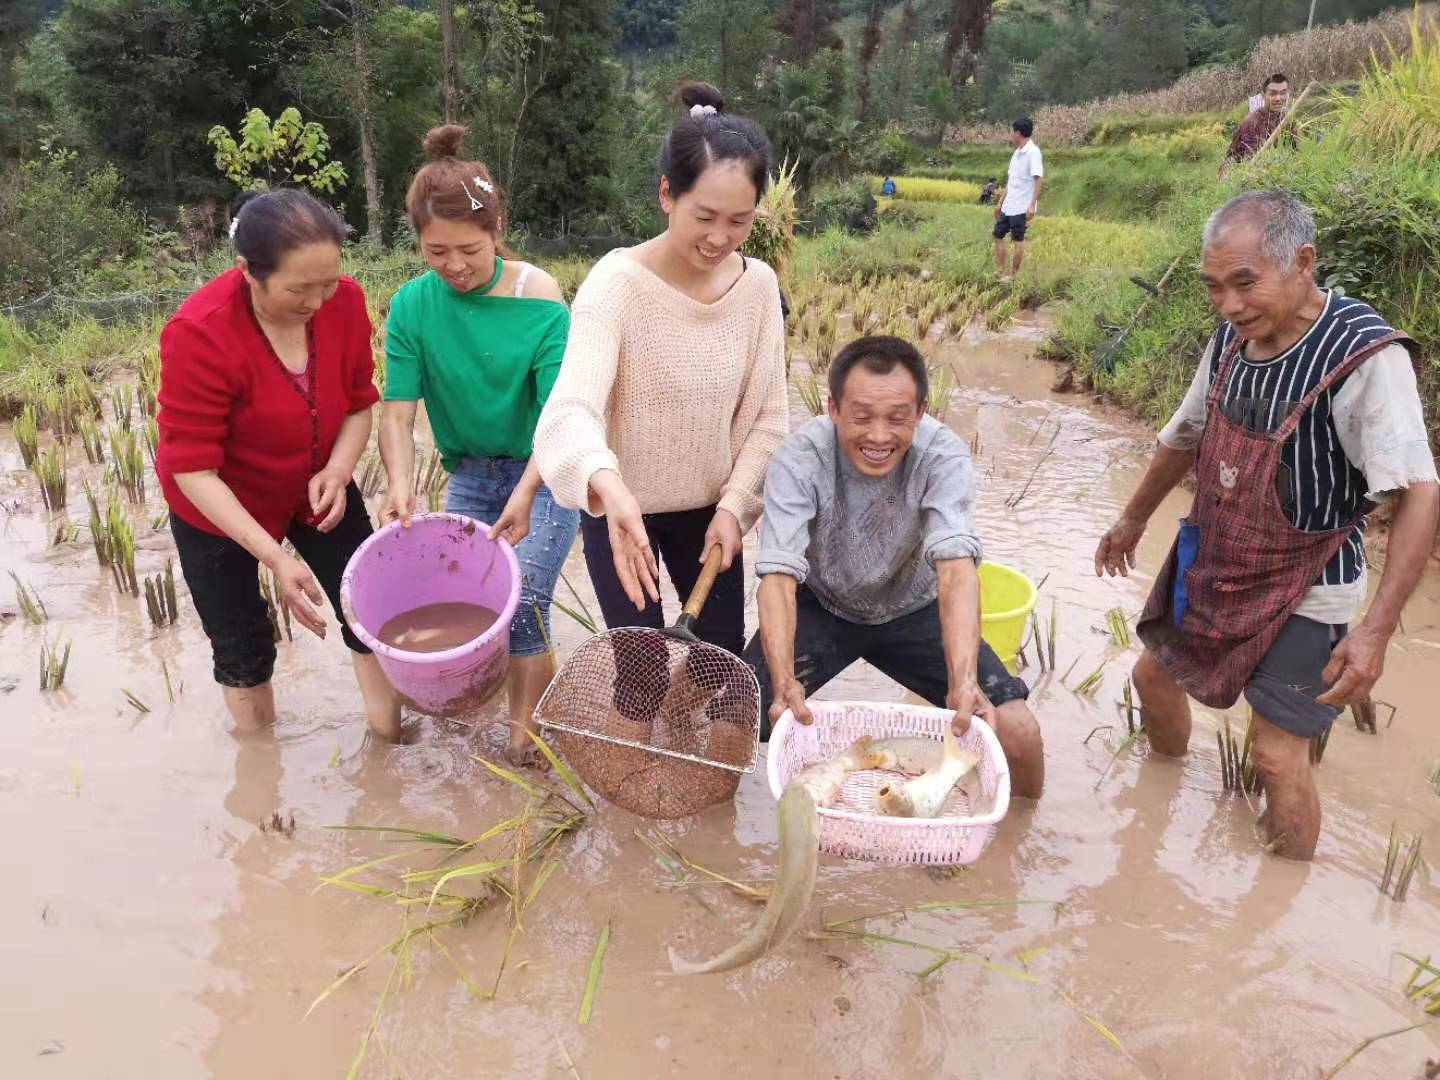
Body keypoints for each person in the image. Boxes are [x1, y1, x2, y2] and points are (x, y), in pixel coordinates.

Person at [1094, 190, 1438, 861]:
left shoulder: (1366, 356)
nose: (1227, 305)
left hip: (1311, 583)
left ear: (1304, 261)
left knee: (1278, 756)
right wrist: (1132, 517)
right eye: (1214, 287)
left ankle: (1281, 887)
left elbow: (1421, 494)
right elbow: (1187, 431)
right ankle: (1155, 811)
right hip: (1220, 559)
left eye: (1244, 283)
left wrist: (1374, 633)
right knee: (1152, 679)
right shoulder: (1232, 337)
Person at [534, 79, 787, 694]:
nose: (720, 238)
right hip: (624, 516)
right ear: (666, 194)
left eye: (740, 221)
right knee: (640, 679)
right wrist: (610, 489)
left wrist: (735, 508)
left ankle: (702, 773)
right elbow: (570, 409)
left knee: (717, 672)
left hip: (712, 518)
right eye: (704, 217)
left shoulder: (756, 289)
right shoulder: (615, 284)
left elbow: (769, 421)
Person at [744, 335, 1045, 798]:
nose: (880, 436)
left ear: (921, 412)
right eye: (862, 417)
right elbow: (779, 577)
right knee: (734, 720)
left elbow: (957, 570)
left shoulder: (942, 456)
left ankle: (1014, 851)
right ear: (833, 409)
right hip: (823, 606)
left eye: (898, 419)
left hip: (915, 609)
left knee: (1017, 729)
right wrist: (784, 680)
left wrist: (964, 682)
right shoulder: (800, 458)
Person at [156, 188, 401, 739]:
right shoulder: (199, 332)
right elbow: (192, 468)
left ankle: (390, 750)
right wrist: (273, 557)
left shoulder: (344, 302)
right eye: (298, 289)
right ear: (248, 270)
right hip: (217, 506)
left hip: (316, 486)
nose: (318, 301)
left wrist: (339, 469)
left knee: (369, 610)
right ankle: (262, 780)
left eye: (328, 282)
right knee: (242, 645)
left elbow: (361, 402)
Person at [376, 125, 575, 765]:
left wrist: (524, 492)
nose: (454, 266)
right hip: (470, 471)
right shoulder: (411, 306)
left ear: (497, 231)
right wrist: (401, 484)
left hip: (544, 471)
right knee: (472, 596)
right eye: (436, 253)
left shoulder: (539, 299)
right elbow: (398, 409)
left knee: (527, 602)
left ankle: (524, 744)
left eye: (469, 249)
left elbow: (559, 417)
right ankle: (485, 700)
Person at [993, 118, 1043, 283]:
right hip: (1009, 204)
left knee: (1017, 241)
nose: (1011, 134)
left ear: (1018, 133)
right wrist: (1000, 203)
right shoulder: (1016, 153)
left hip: (1021, 206)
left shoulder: (1033, 152)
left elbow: (1038, 180)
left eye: (1012, 131)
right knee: (998, 235)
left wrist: (1032, 205)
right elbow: (1011, 181)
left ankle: (1013, 276)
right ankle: (1000, 270)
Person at [1224, 73, 1296, 166]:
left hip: (1273, 167)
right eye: (1273, 93)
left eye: (1283, 93)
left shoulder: (1287, 119)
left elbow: (1295, 151)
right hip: (1238, 172)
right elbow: (1251, 162)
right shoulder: (1252, 122)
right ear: (1263, 95)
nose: (1278, 98)